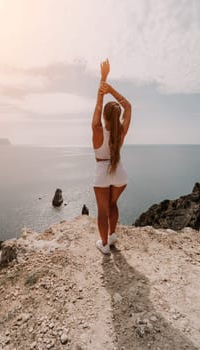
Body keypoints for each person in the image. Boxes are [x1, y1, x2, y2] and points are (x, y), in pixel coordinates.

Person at [92, 58, 132, 255]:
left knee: (102, 210)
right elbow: (128, 107)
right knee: (113, 204)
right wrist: (112, 90)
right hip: (120, 174)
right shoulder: (120, 133)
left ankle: (105, 245)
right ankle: (113, 234)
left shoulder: (98, 129)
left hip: (102, 173)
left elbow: (98, 109)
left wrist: (103, 79)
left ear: (105, 118)